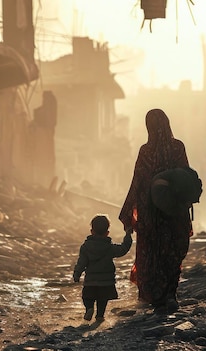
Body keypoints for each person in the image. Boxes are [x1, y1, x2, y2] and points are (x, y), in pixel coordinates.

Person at [118, 108, 193, 313]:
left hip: (150, 215)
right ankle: (170, 294)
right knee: (172, 252)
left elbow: (137, 182)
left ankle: (154, 294)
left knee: (151, 254)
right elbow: (185, 175)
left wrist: (127, 214)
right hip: (175, 212)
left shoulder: (145, 151)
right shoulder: (178, 148)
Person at [73, 214, 133, 322]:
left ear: (92, 231)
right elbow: (123, 249)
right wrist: (128, 235)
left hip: (91, 280)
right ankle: (100, 315)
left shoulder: (86, 247)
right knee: (102, 299)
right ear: (107, 233)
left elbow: (81, 262)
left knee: (87, 297)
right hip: (106, 281)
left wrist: (77, 273)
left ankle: (89, 308)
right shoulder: (110, 248)